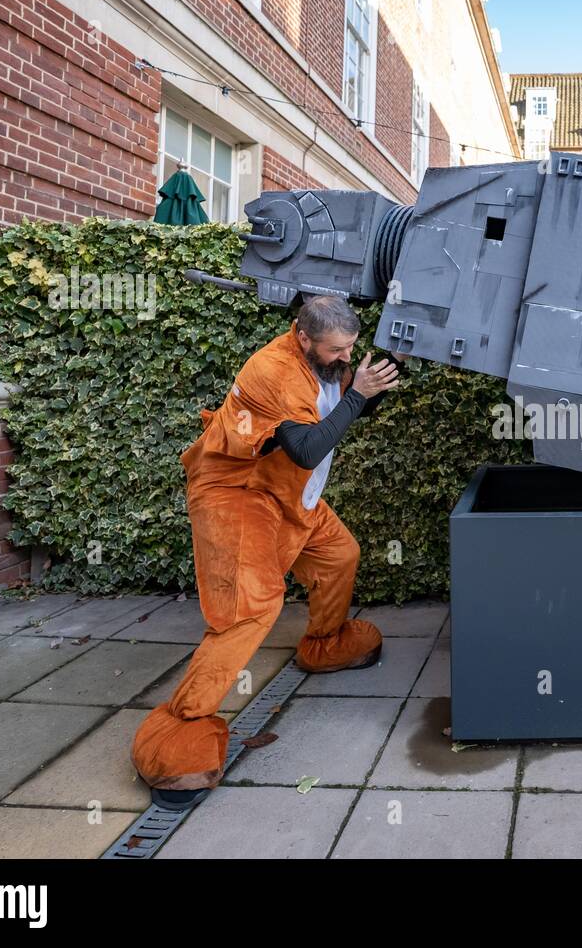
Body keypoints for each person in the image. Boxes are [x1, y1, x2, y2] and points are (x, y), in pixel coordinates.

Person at [131, 293, 402, 809]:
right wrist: (359, 395)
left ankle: (325, 643)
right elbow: (307, 446)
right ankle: (177, 732)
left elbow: (342, 409)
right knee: (249, 608)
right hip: (237, 492)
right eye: (336, 350)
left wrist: (388, 370)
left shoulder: (325, 360)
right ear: (303, 336)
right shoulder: (273, 371)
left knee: (339, 555)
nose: (346, 359)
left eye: (351, 349)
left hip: (286, 491)